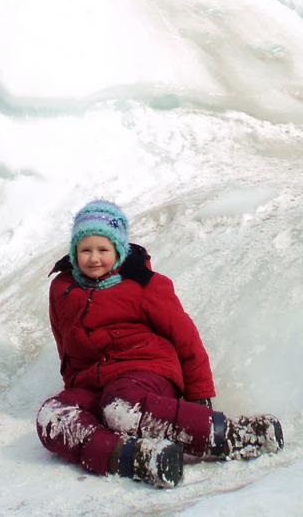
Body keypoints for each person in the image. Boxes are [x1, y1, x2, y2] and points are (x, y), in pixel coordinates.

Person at [36, 199, 283, 489]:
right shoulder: (63, 288)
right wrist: (73, 388)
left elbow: (186, 338)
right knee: (52, 415)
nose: (94, 258)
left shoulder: (144, 285)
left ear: (118, 250)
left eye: (103, 249)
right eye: (85, 250)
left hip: (146, 372)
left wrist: (198, 395)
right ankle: (135, 457)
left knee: (119, 406)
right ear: (74, 251)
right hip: (92, 384)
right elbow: (63, 339)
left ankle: (231, 435)